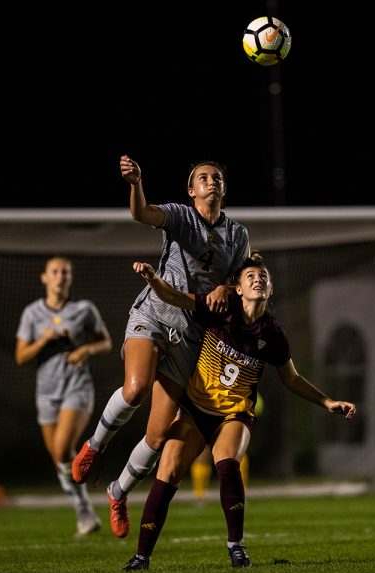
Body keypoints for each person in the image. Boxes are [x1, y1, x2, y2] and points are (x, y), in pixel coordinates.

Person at [122, 254, 357, 571]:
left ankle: (236, 547)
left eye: (264, 277)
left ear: (270, 290)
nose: (258, 279)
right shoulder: (220, 309)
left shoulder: (272, 334)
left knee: (227, 461)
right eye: (251, 277)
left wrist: (327, 402)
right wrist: (153, 280)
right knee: (168, 472)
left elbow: (291, 379)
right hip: (195, 408)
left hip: (235, 414)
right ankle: (141, 557)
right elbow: (175, 297)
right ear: (238, 288)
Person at [71, 155, 251, 539]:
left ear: (224, 188)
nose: (211, 181)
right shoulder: (180, 216)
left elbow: (241, 274)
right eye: (203, 177)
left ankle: (117, 493)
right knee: (135, 387)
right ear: (191, 190)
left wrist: (226, 285)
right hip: (153, 314)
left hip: (190, 335)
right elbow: (142, 214)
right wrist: (136, 182)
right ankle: (94, 446)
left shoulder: (238, 235)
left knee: (156, 436)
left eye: (217, 177)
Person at [15, 256, 113, 536]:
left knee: (61, 449)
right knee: (60, 458)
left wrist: (85, 350)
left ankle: (86, 504)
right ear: (44, 278)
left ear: (71, 278)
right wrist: (44, 340)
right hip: (46, 392)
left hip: (77, 388)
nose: (60, 276)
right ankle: (84, 512)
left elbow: (106, 342)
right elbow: (21, 356)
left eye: (65, 272)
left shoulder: (84, 310)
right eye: (55, 272)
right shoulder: (32, 313)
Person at [190, 393, 264, 503]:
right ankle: (239, 493)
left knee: (208, 449)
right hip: (222, 405)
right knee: (234, 449)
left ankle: (200, 496)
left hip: (212, 404)